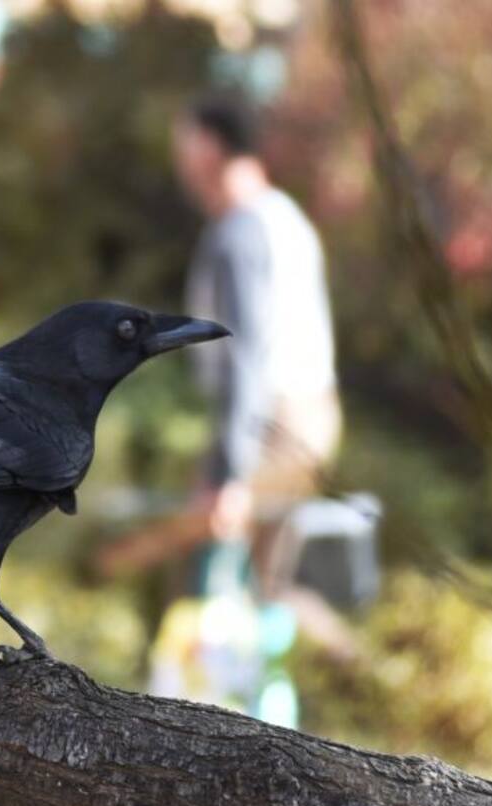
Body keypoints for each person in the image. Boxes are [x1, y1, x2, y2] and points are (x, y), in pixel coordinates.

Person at [172, 96, 341, 601]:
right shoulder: (285, 217)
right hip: (314, 420)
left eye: (181, 144)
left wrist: (228, 474)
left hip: (268, 424)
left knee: (207, 588)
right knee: (268, 589)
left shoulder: (238, 231)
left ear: (207, 146)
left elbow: (242, 355)